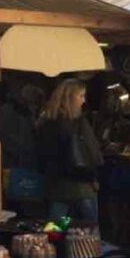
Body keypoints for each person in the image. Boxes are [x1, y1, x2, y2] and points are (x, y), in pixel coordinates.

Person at [37, 79, 103, 224]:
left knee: (56, 230)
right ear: (70, 97)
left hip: (56, 187)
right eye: (81, 96)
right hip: (81, 186)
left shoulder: (46, 122)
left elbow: (42, 155)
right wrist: (93, 179)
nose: (84, 101)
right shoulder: (78, 123)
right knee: (88, 234)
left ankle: (58, 247)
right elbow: (90, 153)